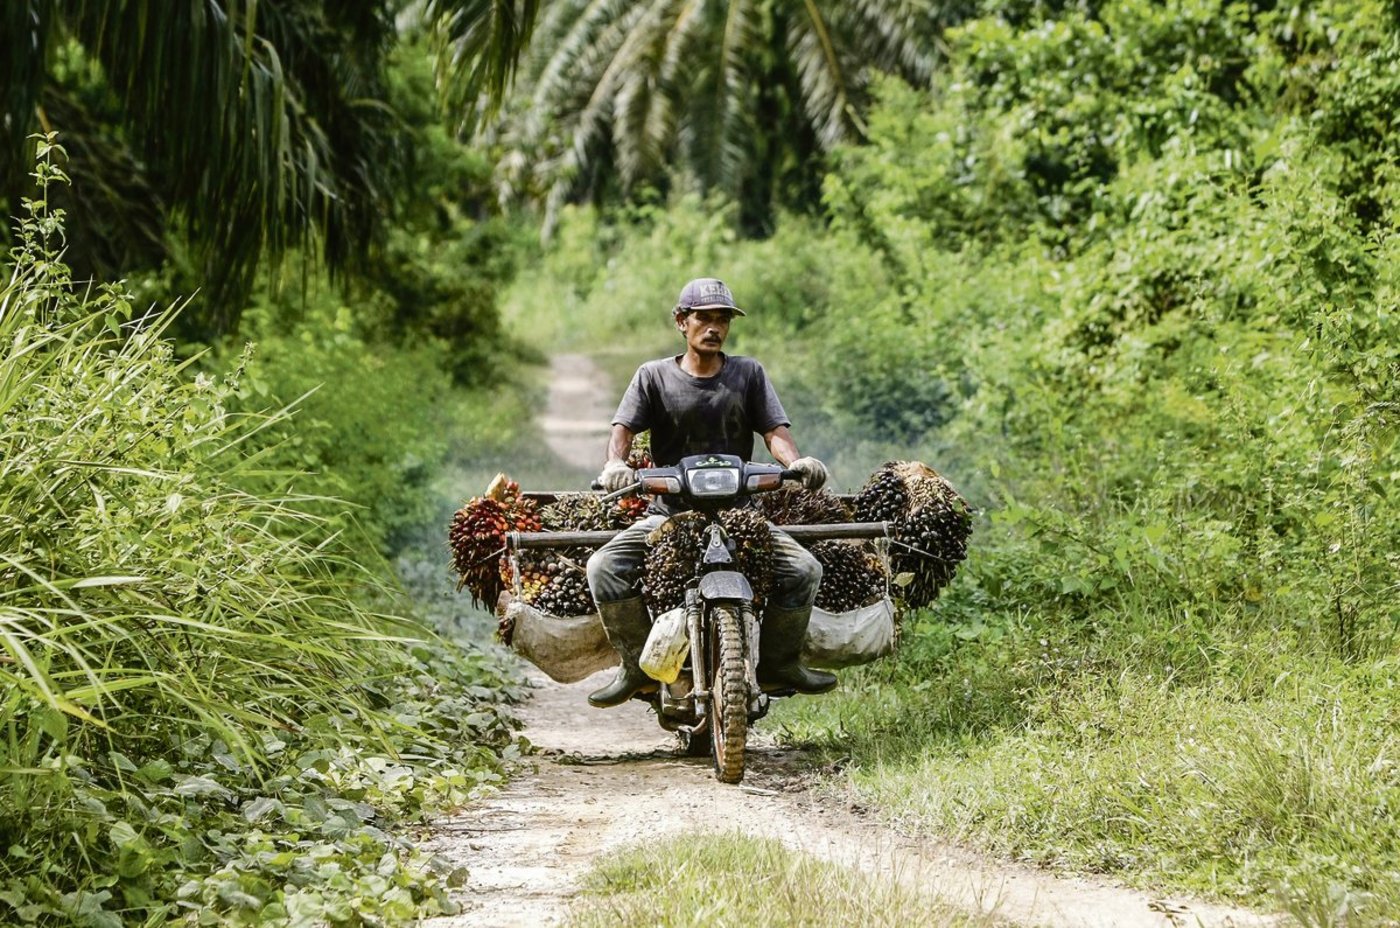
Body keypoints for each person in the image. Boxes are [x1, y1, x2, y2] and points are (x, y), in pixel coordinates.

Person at [584, 277, 837, 709]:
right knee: (603, 567)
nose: (714, 327)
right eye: (704, 317)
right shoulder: (654, 376)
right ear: (682, 322)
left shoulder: (748, 373)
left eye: (722, 319)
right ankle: (635, 668)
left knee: (805, 570)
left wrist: (794, 462)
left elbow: (775, 431)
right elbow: (622, 430)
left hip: (740, 513)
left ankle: (779, 663)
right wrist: (615, 465)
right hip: (669, 514)